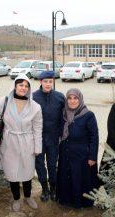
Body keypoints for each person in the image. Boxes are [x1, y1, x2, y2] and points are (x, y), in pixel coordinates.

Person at [0, 75, 42, 212]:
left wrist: (37, 147)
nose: (23, 88)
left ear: (29, 89)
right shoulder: (5, 101)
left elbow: (37, 129)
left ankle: (28, 196)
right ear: (15, 86)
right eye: (21, 85)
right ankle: (16, 198)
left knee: (27, 172)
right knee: (12, 173)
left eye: (26, 86)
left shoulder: (35, 107)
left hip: (27, 143)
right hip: (9, 142)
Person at [57, 88, 99, 208]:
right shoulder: (63, 113)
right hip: (65, 153)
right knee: (66, 177)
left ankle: (80, 203)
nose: (72, 101)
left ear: (80, 99)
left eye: (75, 98)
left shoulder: (88, 115)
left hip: (82, 155)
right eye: (69, 98)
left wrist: (92, 157)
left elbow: (94, 137)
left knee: (79, 179)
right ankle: (66, 200)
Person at [32, 71, 65, 201]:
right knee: (39, 165)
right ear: (41, 82)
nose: (48, 84)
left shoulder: (59, 97)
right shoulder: (33, 97)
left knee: (52, 164)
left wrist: (61, 134)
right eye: (45, 81)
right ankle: (44, 189)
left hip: (53, 139)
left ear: (53, 82)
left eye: (50, 81)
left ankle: (53, 189)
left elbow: (64, 117)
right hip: (38, 139)